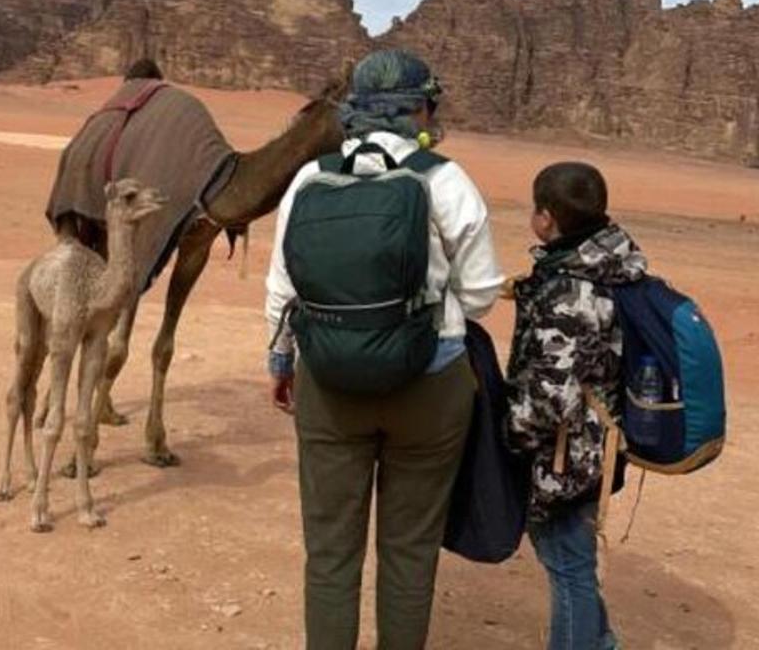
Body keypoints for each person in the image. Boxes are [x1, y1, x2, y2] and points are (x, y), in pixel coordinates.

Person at [265, 49, 504, 649]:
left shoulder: (309, 179)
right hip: (428, 387)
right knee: (409, 551)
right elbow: (479, 295)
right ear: (422, 109)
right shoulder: (445, 179)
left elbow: (282, 289)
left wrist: (280, 362)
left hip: (330, 386)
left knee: (329, 554)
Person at [504, 161, 648, 650]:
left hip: (569, 454)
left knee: (568, 568)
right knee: (572, 561)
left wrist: (510, 435)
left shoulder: (571, 291)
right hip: (596, 440)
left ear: (546, 217)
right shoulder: (609, 260)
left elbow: (550, 396)